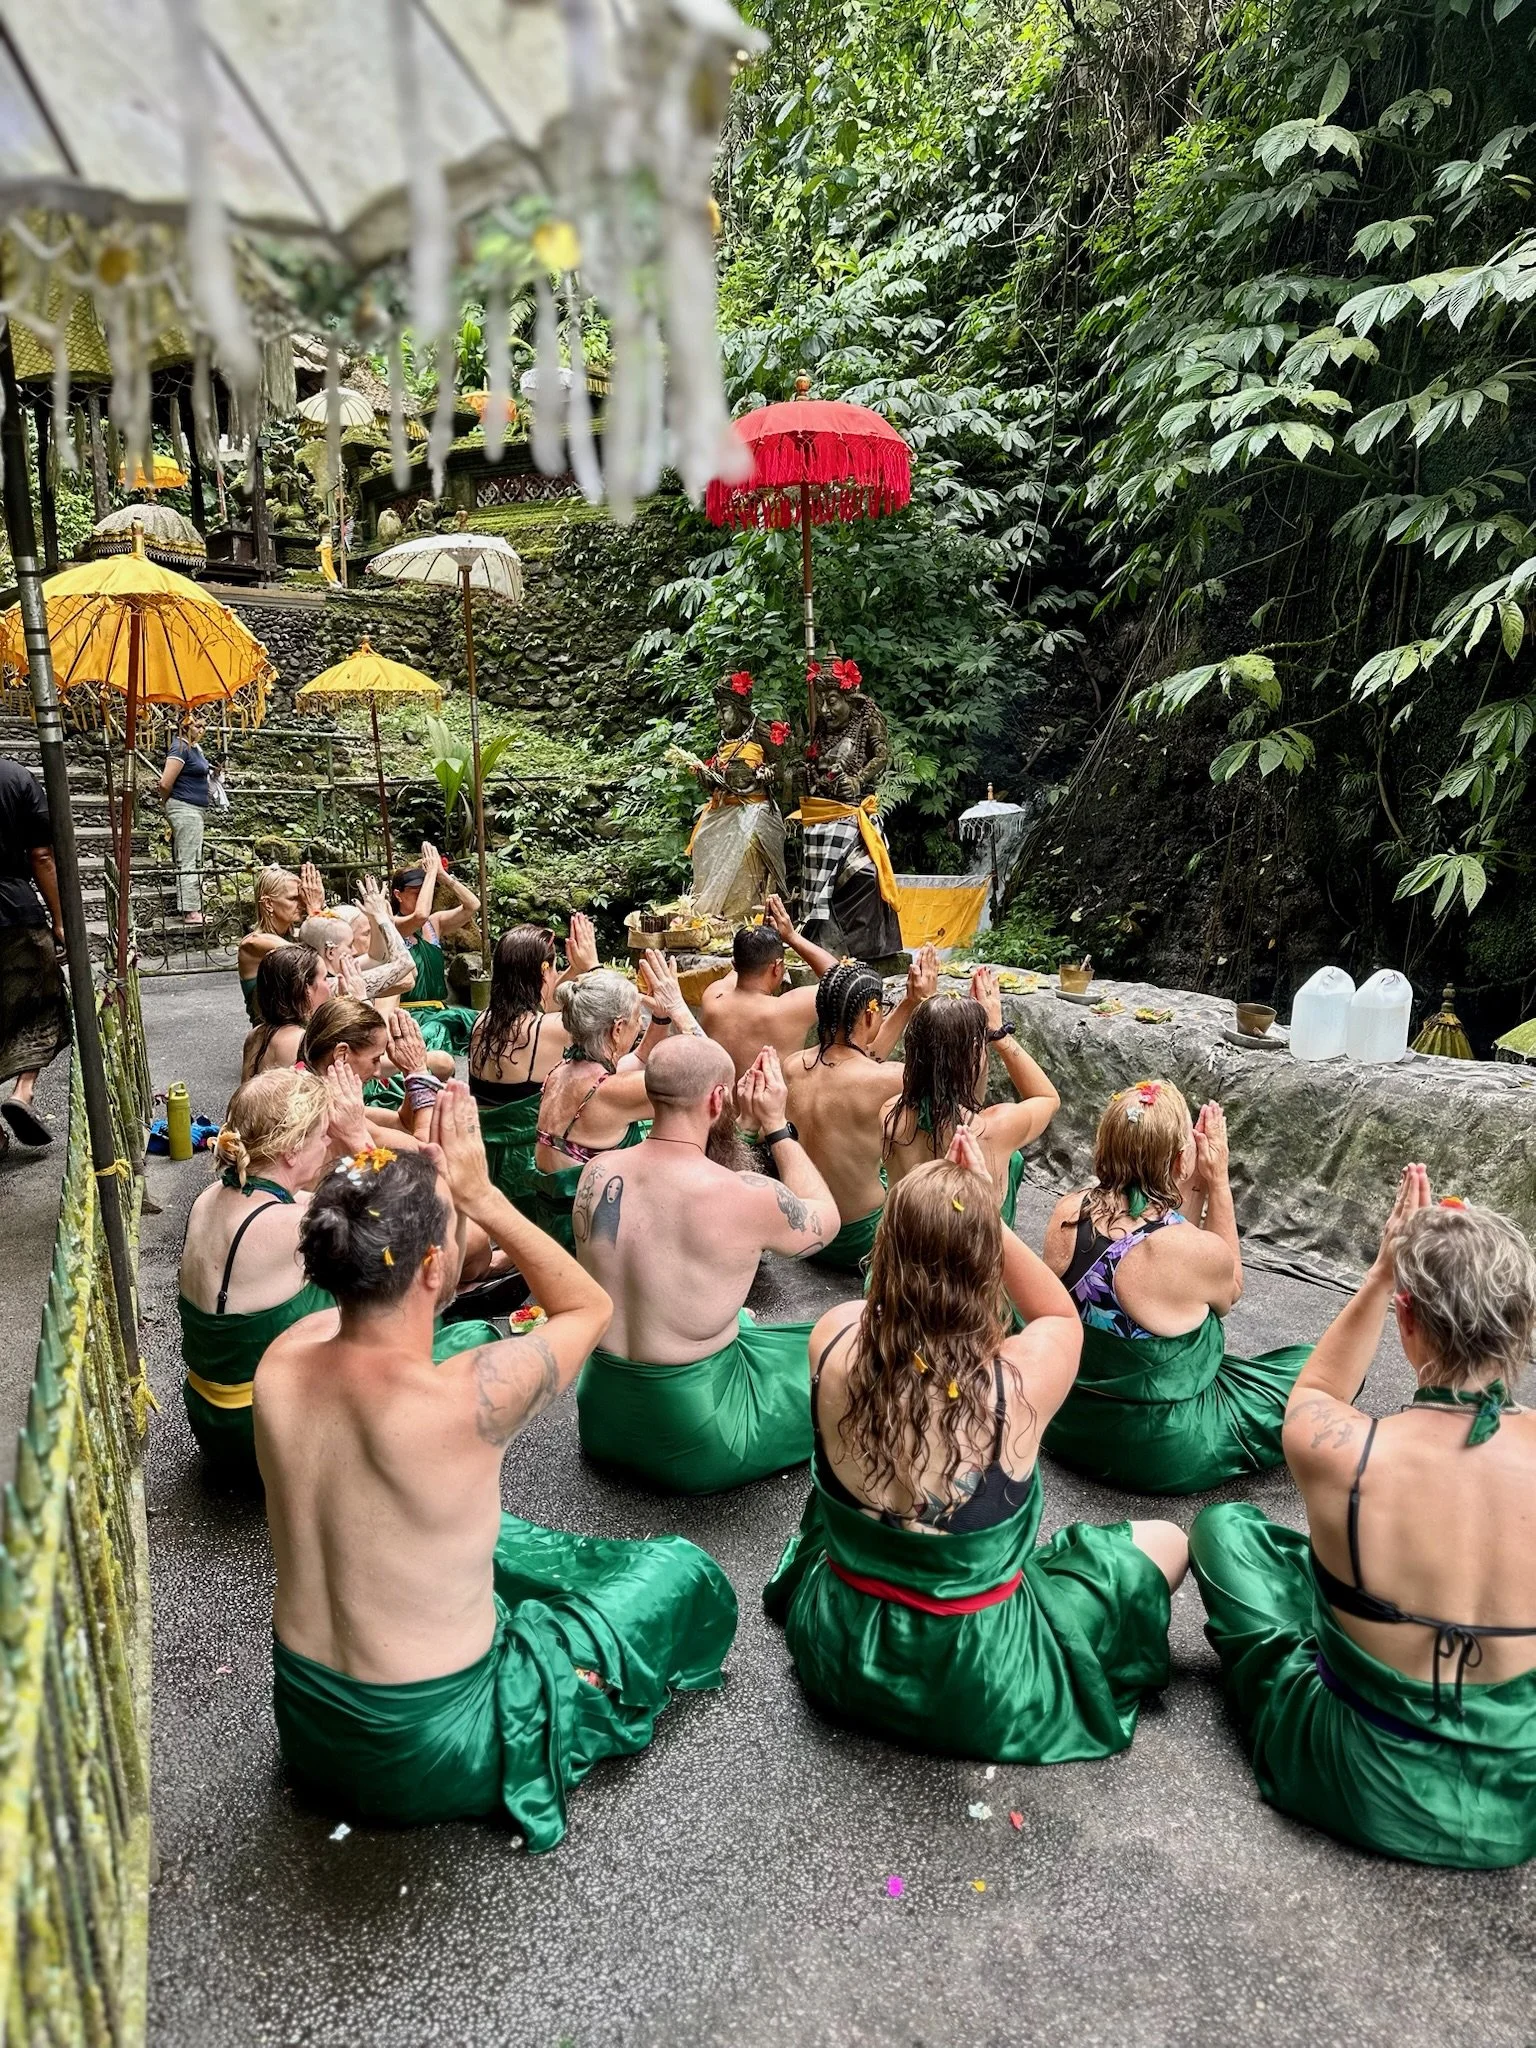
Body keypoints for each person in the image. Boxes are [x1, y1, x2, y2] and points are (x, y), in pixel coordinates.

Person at [257, 1084, 737, 1848]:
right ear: (429, 1270)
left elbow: (386, 1319)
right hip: (431, 1745)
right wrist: (482, 1194)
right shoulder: (464, 1403)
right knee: (681, 1571)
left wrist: (380, 1159)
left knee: (456, 1367)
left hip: (310, 1725)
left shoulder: (282, 1361)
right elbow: (588, 1308)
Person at [765, 1129, 1185, 1762]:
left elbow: (890, 1336)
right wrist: (987, 1208)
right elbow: (1057, 1315)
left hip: (842, 1645)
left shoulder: (834, 1336)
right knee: (1170, 1541)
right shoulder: (1019, 1380)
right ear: (985, 1263)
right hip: (977, 1675)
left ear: (887, 1249)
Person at [1191, 1169, 1536, 1868]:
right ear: (1521, 1321)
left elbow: (1315, 1387)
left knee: (1223, 1531)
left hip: (1358, 1780)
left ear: (1406, 1321)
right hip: (1515, 1805)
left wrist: (1379, 1275)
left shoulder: (1346, 1453)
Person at [574, 1039, 840, 1493]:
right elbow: (826, 1220)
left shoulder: (597, 1173)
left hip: (600, 1413)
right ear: (718, 1099)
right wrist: (777, 1126)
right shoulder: (745, 1193)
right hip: (698, 1433)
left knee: (738, 1319)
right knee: (843, 1355)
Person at [1039, 1082, 1311, 1493]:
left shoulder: (1069, 1210)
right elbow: (1229, 1289)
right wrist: (1217, 1181)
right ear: (1182, 1158)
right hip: (1156, 1449)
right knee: (1317, 1369)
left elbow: (1158, 1232)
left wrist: (1194, 1183)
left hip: (1066, 1425)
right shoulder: (1186, 1250)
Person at [178, 1069, 363, 1480]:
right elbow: (394, 1219)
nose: (329, 1142)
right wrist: (358, 1137)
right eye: (322, 1135)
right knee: (380, 1286)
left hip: (213, 1423)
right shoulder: (293, 1226)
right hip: (263, 1436)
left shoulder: (210, 1199)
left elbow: (306, 1199)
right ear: (292, 1150)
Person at [783, 952, 938, 1272]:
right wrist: (930, 1003)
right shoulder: (891, 1078)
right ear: (870, 1016)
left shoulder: (793, 1066)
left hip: (806, 1229)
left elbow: (861, 1061)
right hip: (861, 1240)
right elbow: (876, 1068)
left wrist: (908, 1003)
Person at [531, 955, 700, 1249]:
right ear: (617, 1029)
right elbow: (711, 1074)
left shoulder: (563, 1072)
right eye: (639, 1019)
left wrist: (660, 1019)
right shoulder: (613, 1093)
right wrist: (679, 1010)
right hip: (590, 1239)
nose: (640, 1024)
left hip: (556, 1222)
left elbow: (635, 1060)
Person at [881, 967, 1059, 1229]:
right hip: (968, 1262)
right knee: (1015, 1160)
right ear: (976, 1054)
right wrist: (998, 1033)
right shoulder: (996, 1127)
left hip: (910, 1252)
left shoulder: (890, 1112)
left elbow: (958, 1102)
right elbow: (1047, 1097)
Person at [468, 915, 599, 1210]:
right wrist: (592, 967)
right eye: (554, 969)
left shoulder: (483, 1021)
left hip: (486, 1161)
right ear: (543, 972)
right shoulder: (550, 1031)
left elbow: (545, 1003)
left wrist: (573, 970)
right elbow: (606, 1018)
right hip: (526, 1170)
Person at [0, 754, 68, 1151]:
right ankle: (22, 1091)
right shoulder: (15, 776)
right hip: (15, 914)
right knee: (46, 1004)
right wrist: (60, 921)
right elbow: (41, 856)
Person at [700, 894, 840, 1082]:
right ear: (777, 967)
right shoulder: (788, 1009)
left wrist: (762, 936)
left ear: (734, 964)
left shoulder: (713, 997)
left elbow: (743, 966)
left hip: (720, 1109)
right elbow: (841, 976)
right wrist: (792, 937)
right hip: (767, 1110)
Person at [390, 840, 480, 1054]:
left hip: (440, 1010)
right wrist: (429, 873)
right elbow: (419, 916)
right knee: (436, 1030)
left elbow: (472, 905)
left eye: (426, 890)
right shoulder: (391, 924)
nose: (424, 896)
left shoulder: (434, 923)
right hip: (410, 1015)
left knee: (480, 1020)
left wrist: (442, 876)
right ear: (398, 894)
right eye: (415, 892)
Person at [238, 862, 324, 1021]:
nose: (302, 904)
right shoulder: (253, 944)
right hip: (273, 1039)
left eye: (302, 897)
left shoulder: (298, 937)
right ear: (268, 903)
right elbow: (315, 961)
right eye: (293, 898)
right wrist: (315, 910)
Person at [240, 944, 334, 1081]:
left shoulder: (255, 1035)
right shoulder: (306, 1041)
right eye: (325, 978)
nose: (330, 984)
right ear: (306, 990)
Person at [157, 717, 212, 924]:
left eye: (204, 726)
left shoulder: (194, 748)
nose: (202, 730)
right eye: (198, 725)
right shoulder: (179, 747)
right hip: (184, 807)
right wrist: (167, 802)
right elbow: (164, 782)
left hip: (195, 808)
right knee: (189, 858)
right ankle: (190, 911)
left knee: (195, 857)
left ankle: (193, 908)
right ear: (185, 726)